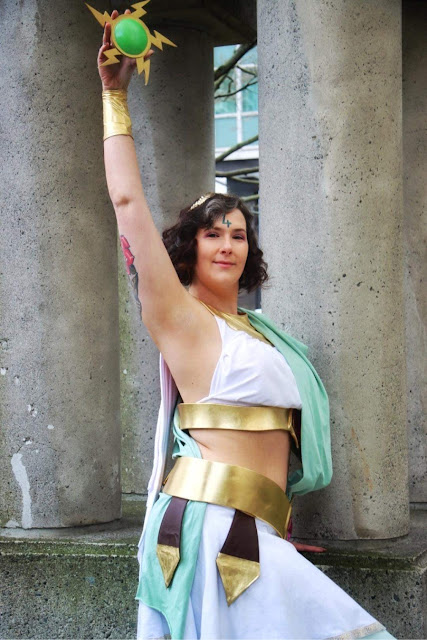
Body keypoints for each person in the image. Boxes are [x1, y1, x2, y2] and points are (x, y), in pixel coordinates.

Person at [97, 11, 397, 640]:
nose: (228, 244)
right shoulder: (181, 319)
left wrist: (270, 518)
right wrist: (114, 98)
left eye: (238, 233)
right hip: (213, 532)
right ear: (189, 247)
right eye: (212, 234)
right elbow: (127, 203)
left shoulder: (259, 331)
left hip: (252, 531)